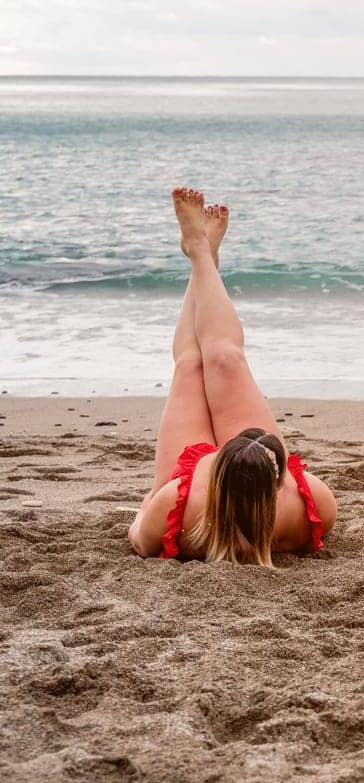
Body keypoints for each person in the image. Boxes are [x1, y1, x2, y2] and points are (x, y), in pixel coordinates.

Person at [128, 188, 336, 564]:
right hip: (225, 480)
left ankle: (199, 253)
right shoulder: (314, 504)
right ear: (279, 479)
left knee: (192, 364)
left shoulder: (180, 506)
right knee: (225, 358)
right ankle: (203, 259)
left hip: (183, 480)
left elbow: (140, 539)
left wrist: (148, 505)